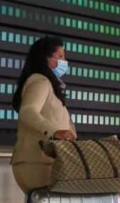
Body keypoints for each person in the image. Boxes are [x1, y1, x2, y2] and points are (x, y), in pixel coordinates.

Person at [11, 36, 76, 193]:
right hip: (38, 163)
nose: (64, 61)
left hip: (46, 162)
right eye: (60, 56)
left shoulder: (49, 85)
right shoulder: (41, 81)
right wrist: (54, 131)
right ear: (45, 58)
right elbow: (28, 111)